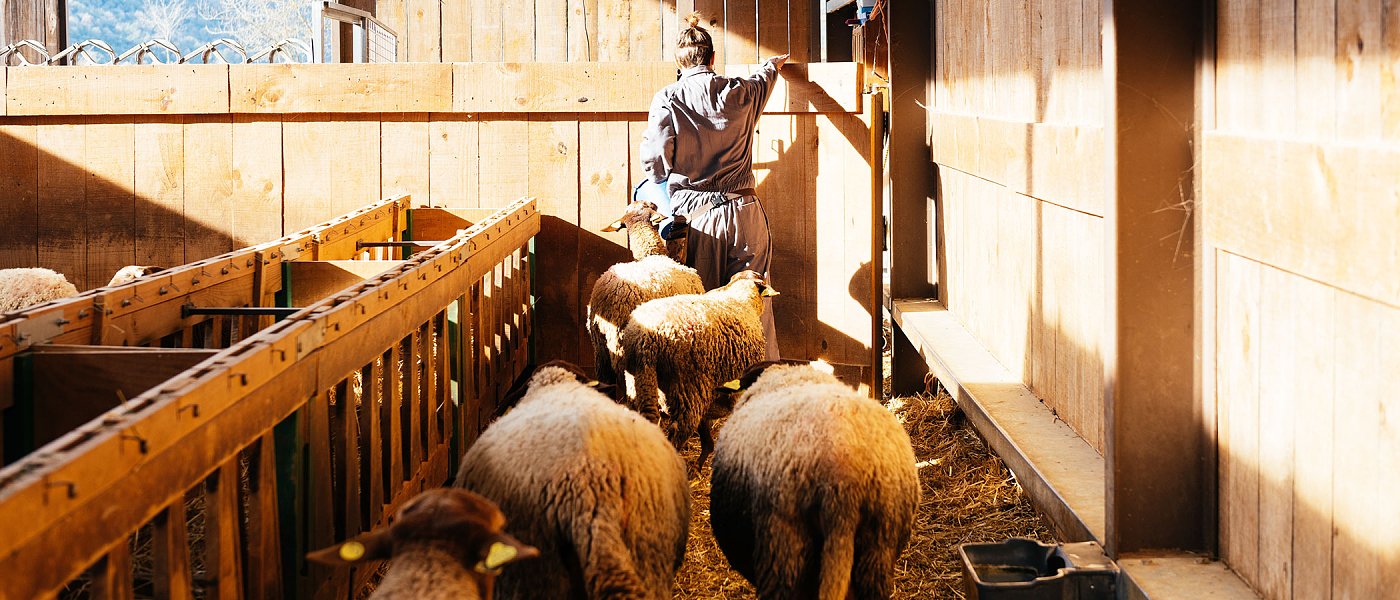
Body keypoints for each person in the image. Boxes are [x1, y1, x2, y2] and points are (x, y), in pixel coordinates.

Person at [639, 12, 788, 360]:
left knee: (702, 312)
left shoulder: (668, 98)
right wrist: (774, 63)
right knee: (754, 307)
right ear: (712, 58)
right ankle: (761, 394)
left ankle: (708, 397)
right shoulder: (742, 91)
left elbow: (656, 165)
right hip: (747, 216)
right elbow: (767, 75)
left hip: (698, 220)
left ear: (679, 62)